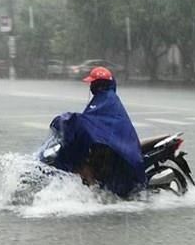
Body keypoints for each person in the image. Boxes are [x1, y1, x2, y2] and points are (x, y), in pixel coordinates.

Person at [49, 66, 145, 197]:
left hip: (116, 149)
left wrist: (70, 120)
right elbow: (90, 121)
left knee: (82, 163)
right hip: (107, 144)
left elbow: (89, 121)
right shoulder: (102, 98)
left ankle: (94, 191)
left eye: (93, 83)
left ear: (99, 85)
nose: (91, 86)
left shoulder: (108, 100)